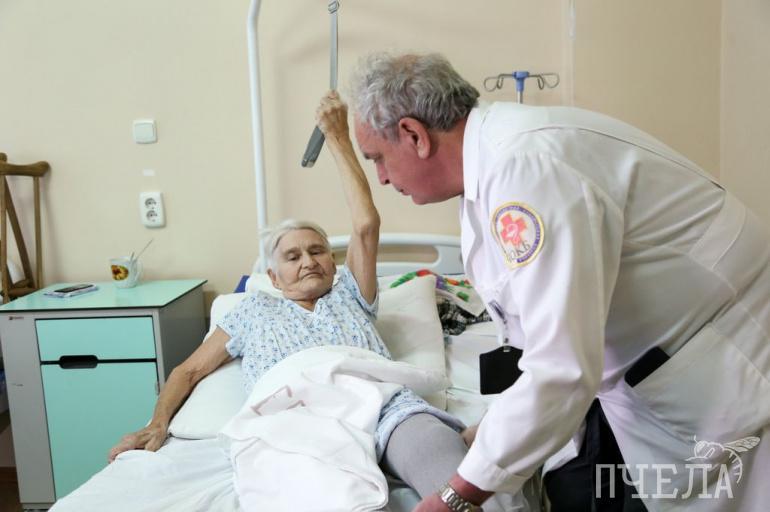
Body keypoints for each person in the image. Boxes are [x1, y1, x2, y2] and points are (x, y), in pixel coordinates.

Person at [346, 52, 770, 512]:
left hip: (721, 353)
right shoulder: (488, 173)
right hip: (650, 366)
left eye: (377, 159)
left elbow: (559, 364)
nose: (382, 178)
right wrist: (492, 433)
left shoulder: (525, 167)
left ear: (413, 134)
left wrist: (455, 497)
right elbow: (537, 329)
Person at [108, 92, 478, 506]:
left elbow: (365, 224)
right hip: (291, 420)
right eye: (293, 256)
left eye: (318, 251)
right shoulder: (252, 310)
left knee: (451, 477)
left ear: (333, 264)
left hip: (381, 406)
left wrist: (337, 138)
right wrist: (158, 423)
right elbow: (188, 371)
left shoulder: (350, 292)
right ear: (273, 276)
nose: (309, 261)